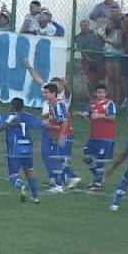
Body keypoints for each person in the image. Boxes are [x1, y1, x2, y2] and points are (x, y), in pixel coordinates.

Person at [23, 58, 81, 190]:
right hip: (48, 127)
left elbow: (64, 117)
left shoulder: (64, 96)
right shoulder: (50, 96)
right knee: (47, 154)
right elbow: (38, 79)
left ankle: (67, 178)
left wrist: (65, 84)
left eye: (58, 84)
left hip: (60, 129)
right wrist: (29, 67)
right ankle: (56, 179)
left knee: (58, 157)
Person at [74, 83, 116, 191]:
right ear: (95, 93)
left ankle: (97, 184)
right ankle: (99, 177)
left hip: (106, 136)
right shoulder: (91, 104)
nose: (101, 94)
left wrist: (100, 115)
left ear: (106, 93)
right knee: (86, 157)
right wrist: (80, 114)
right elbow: (86, 115)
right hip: (93, 136)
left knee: (100, 160)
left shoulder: (109, 103)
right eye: (98, 92)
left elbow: (112, 117)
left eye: (102, 92)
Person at [1, 98, 44, 203]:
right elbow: (41, 124)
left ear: (12, 106)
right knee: (29, 172)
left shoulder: (10, 116)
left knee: (13, 176)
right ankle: (35, 197)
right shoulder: (28, 115)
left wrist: (10, 125)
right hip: (28, 147)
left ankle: (21, 186)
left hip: (15, 148)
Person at [42, 83, 76, 194]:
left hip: (61, 135)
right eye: (44, 92)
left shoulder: (57, 104)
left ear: (53, 93)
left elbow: (65, 120)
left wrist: (61, 134)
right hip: (56, 134)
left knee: (56, 159)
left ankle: (59, 184)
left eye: (46, 92)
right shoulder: (52, 104)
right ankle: (64, 181)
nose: (44, 94)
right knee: (56, 158)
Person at [74, 19, 106, 98]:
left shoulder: (94, 34)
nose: (84, 27)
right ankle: (91, 97)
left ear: (88, 26)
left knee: (99, 80)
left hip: (100, 59)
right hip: (89, 61)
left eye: (86, 25)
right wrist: (88, 59)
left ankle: (98, 97)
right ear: (80, 26)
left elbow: (102, 43)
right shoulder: (79, 37)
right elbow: (82, 51)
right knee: (91, 80)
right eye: (82, 26)